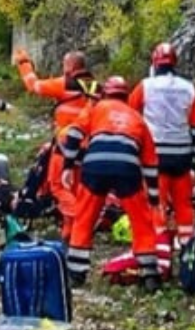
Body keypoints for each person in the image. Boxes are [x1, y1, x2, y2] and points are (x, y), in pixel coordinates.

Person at [59, 76, 162, 292]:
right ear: (126, 96)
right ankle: (150, 274)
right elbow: (151, 164)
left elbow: (74, 133)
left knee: (84, 217)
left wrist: (68, 165)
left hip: (95, 164)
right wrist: (153, 197)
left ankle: (76, 274)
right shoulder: (137, 118)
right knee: (141, 221)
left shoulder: (97, 108)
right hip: (127, 166)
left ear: (105, 93)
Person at [12, 48, 99, 237]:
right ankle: (69, 233)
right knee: (74, 189)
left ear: (69, 67)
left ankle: (80, 221)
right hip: (88, 146)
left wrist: (24, 63)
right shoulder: (95, 87)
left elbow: (33, 85)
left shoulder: (65, 83)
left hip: (66, 145)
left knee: (58, 186)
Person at [129, 42, 195, 247]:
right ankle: (189, 246)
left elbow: (130, 116)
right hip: (182, 155)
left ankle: (161, 248)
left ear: (155, 62)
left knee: (157, 202)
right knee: (184, 203)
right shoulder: (189, 89)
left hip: (155, 155)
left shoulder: (145, 86)